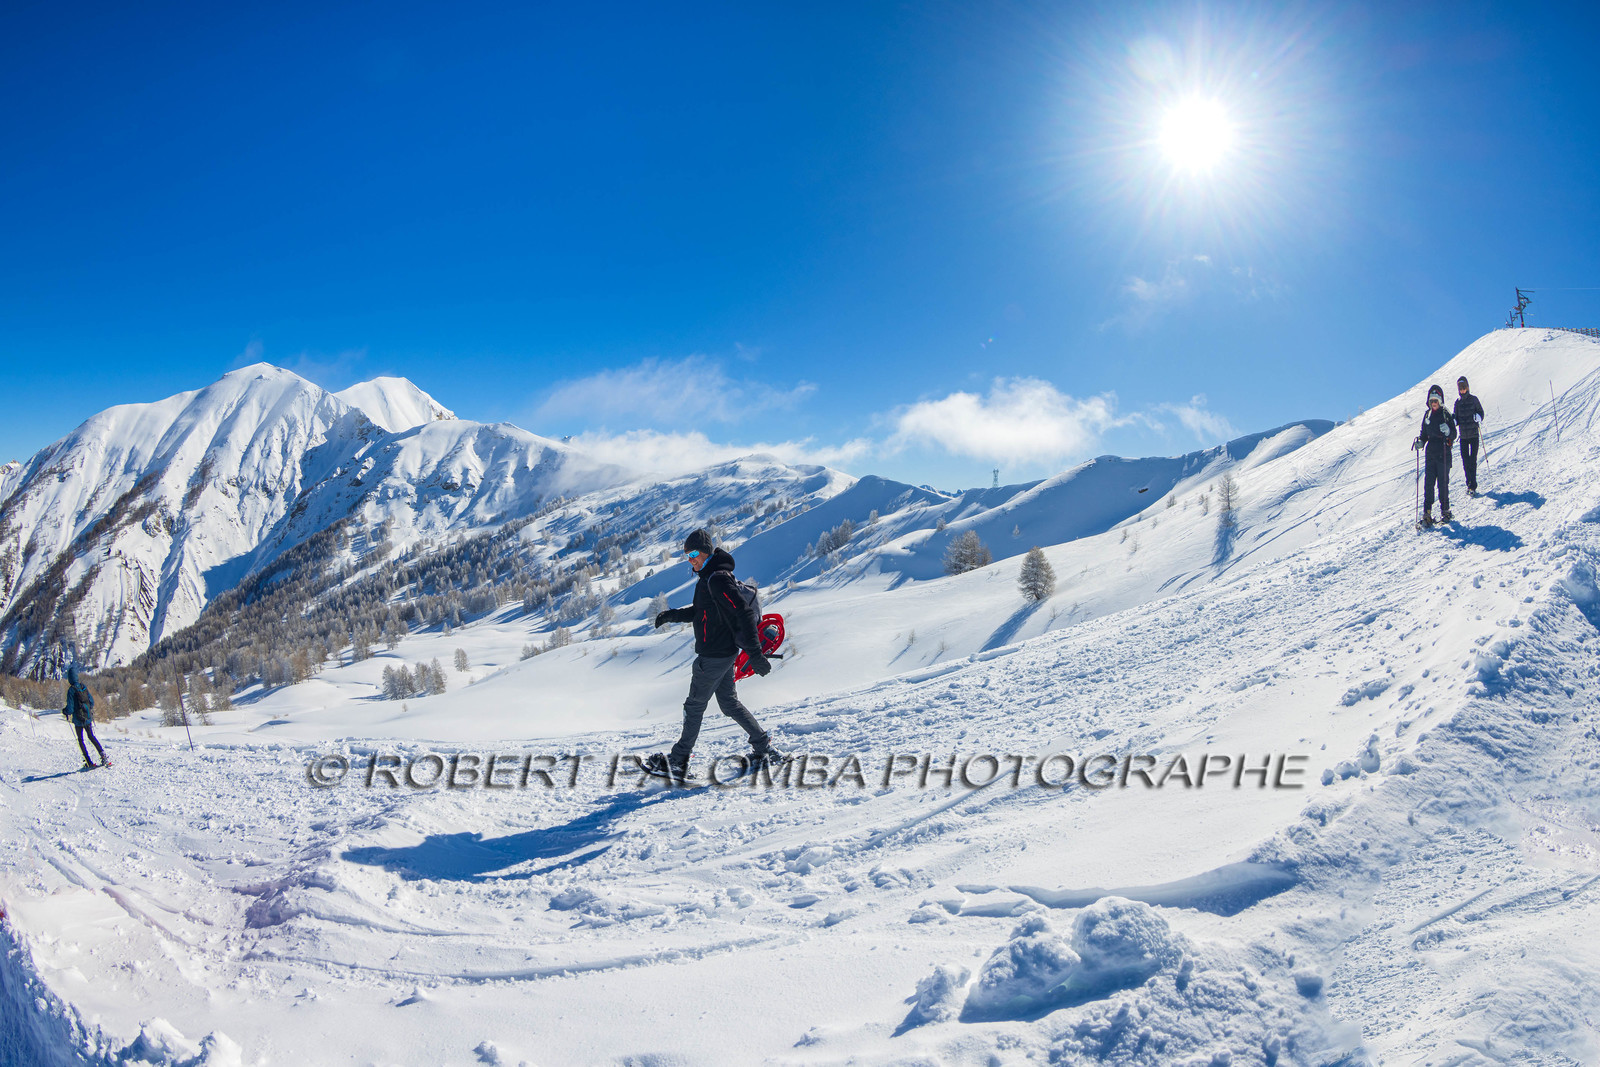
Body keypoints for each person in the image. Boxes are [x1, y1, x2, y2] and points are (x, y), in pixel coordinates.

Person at [649, 529, 779, 781]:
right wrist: (673, 615)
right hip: (723, 653)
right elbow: (703, 611)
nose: (691, 559)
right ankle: (764, 749)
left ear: (707, 550)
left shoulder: (717, 579)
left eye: (695, 553)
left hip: (714, 656)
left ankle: (678, 761)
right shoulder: (710, 577)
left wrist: (754, 654)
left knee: (694, 706)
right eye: (687, 555)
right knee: (729, 703)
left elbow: (741, 613)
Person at [1412, 384, 1457, 526]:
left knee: (1443, 484)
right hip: (1431, 453)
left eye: (1436, 401)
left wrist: (1448, 431)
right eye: (1432, 401)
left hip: (1443, 452)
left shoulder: (1446, 414)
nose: (1434, 403)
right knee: (1428, 484)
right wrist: (1421, 442)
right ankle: (1427, 513)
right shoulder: (1427, 415)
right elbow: (1424, 434)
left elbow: (1454, 434)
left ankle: (1445, 511)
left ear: (1440, 401)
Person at [63, 665, 109, 769]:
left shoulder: (71, 690)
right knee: (91, 737)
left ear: (69, 678)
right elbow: (91, 702)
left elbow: (70, 709)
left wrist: (65, 711)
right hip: (87, 718)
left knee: (80, 740)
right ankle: (103, 755)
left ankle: (88, 762)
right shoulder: (83, 687)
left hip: (78, 720)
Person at [1453, 375, 1485, 495]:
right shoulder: (1458, 403)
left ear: (1467, 387)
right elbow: (1455, 416)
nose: (1462, 390)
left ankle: (1473, 485)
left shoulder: (1474, 399)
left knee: (1472, 460)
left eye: (1464, 387)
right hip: (1463, 437)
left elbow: (1481, 412)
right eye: (1460, 388)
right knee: (1465, 461)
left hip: (1474, 435)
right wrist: (1454, 421)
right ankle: (1469, 483)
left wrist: (1478, 417)